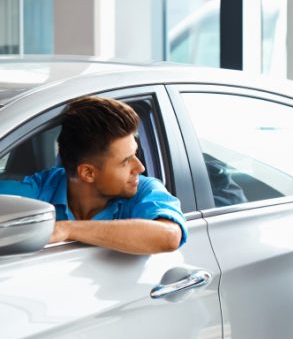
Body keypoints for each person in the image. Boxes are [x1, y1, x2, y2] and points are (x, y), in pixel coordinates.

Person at [0, 96, 187, 254]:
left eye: (135, 155)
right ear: (88, 173)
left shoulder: (144, 189)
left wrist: (66, 229)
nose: (140, 167)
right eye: (126, 161)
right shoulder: (41, 188)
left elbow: (169, 236)